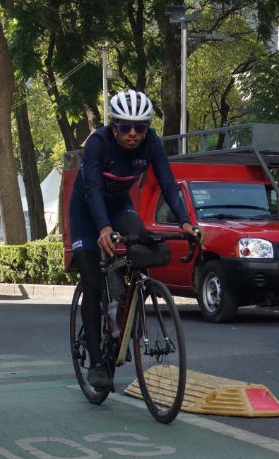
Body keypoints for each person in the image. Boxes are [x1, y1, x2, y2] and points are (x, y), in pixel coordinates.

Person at [69, 89, 198, 390]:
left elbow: (167, 182)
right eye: (125, 127)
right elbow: (93, 192)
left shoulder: (151, 143)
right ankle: (98, 362)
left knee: (143, 243)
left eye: (139, 127)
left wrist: (185, 222)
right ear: (113, 126)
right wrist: (102, 228)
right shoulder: (98, 144)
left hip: (119, 206)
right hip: (87, 211)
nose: (132, 134)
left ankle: (122, 309)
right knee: (91, 282)